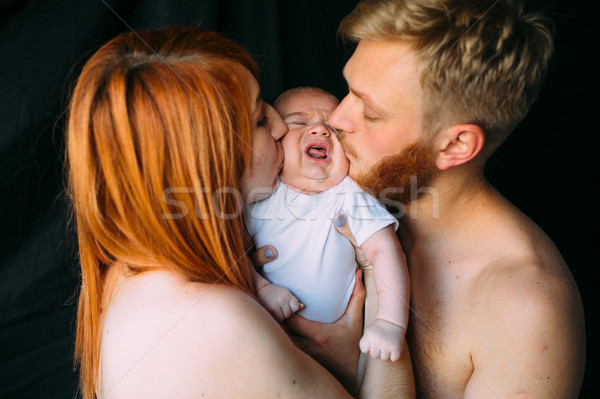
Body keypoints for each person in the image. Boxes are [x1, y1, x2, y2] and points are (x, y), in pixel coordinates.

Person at [67, 26, 409, 398]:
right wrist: (350, 355)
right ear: (211, 166)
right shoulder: (218, 320)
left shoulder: (128, 273)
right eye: (261, 119)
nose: (279, 125)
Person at [307, 0, 585, 397]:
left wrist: (342, 368)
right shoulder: (344, 197)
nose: (336, 118)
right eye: (348, 89)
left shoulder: (523, 307)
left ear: (456, 145)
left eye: (369, 111)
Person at [244, 87, 410, 363]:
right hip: (269, 346)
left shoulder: (349, 194)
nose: (320, 131)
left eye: (333, 128)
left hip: (342, 349)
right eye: (299, 123)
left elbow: (386, 253)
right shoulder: (262, 195)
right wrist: (261, 287)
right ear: (275, 144)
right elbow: (230, 248)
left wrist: (390, 323)